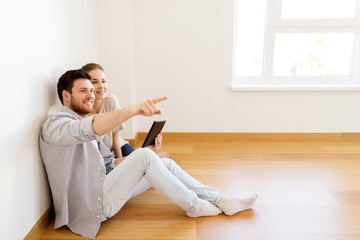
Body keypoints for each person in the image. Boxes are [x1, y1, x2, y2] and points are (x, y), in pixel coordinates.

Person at [39, 69, 258, 239]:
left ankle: (222, 200)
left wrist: (150, 153)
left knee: (164, 163)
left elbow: (110, 165)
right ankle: (194, 206)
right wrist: (135, 110)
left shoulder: (82, 122)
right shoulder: (56, 126)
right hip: (91, 207)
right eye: (83, 91)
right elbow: (88, 128)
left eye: (91, 89)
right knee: (144, 158)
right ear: (66, 97)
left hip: (103, 187)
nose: (91, 95)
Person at [81, 63, 168, 197]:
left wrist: (122, 163)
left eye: (103, 81)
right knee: (143, 167)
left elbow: (115, 138)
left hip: (117, 147)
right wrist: (122, 169)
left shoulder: (110, 102)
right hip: (103, 157)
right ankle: (153, 156)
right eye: (95, 82)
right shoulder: (83, 112)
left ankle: (152, 156)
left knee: (147, 165)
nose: (101, 86)